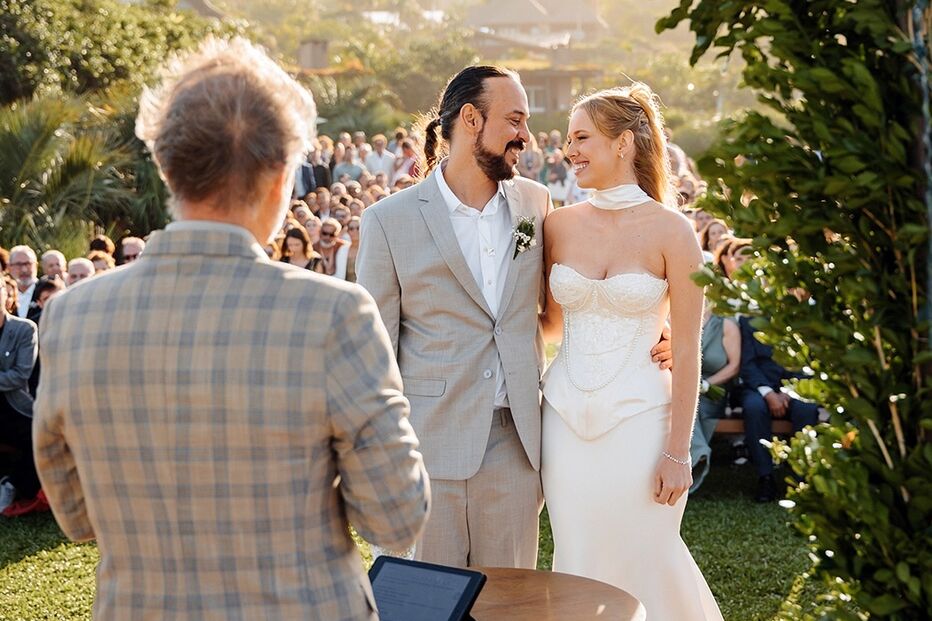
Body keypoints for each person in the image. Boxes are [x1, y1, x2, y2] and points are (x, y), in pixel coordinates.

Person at [33, 37, 429, 621]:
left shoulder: (70, 315)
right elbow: (395, 515)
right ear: (280, 177)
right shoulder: (332, 314)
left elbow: (76, 517)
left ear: (167, 167)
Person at [358, 66, 674, 569]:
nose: (526, 137)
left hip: (518, 447)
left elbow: (568, 299)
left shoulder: (534, 204)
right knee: (424, 602)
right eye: (515, 120)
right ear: (470, 119)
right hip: (426, 450)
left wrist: (655, 327)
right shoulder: (387, 220)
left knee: (510, 601)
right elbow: (372, 357)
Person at [540, 83, 722, 619]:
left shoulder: (674, 231)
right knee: (576, 558)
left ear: (623, 144)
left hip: (644, 422)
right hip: (565, 422)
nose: (569, 150)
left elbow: (688, 353)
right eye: (569, 139)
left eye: (581, 137)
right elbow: (548, 327)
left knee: (647, 555)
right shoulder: (557, 225)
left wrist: (676, 452)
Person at [738, 316, 819, 502]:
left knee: (806, 409)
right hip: (760, 387)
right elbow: (747, 364)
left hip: (797, 387)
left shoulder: (807, 320)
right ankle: (765, 477)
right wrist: (768, 394)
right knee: (753, 408)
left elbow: (810, 364)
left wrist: (790, 392)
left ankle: (801, 480)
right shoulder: (748, 322)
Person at [688, 300, 741, 492]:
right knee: (678, 401)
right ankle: (697, 454)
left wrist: (706, 384)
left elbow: (734, 366)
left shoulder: (726, 324)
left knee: (691, 404)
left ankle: (696, 456)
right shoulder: (683, 318)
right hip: (684, 386)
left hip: (712, 391)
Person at [0, 275, 40, 514]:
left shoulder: (25, 329)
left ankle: (12, 484)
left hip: (14, 408)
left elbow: (20, 375)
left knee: (42, 438)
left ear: (6, 293)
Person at [8, 246, 39, 321]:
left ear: (36, 265)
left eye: (28, 263)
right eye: (18, 264)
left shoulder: (46, 290)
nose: (24, 269)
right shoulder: (5, 294)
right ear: (10, 267)